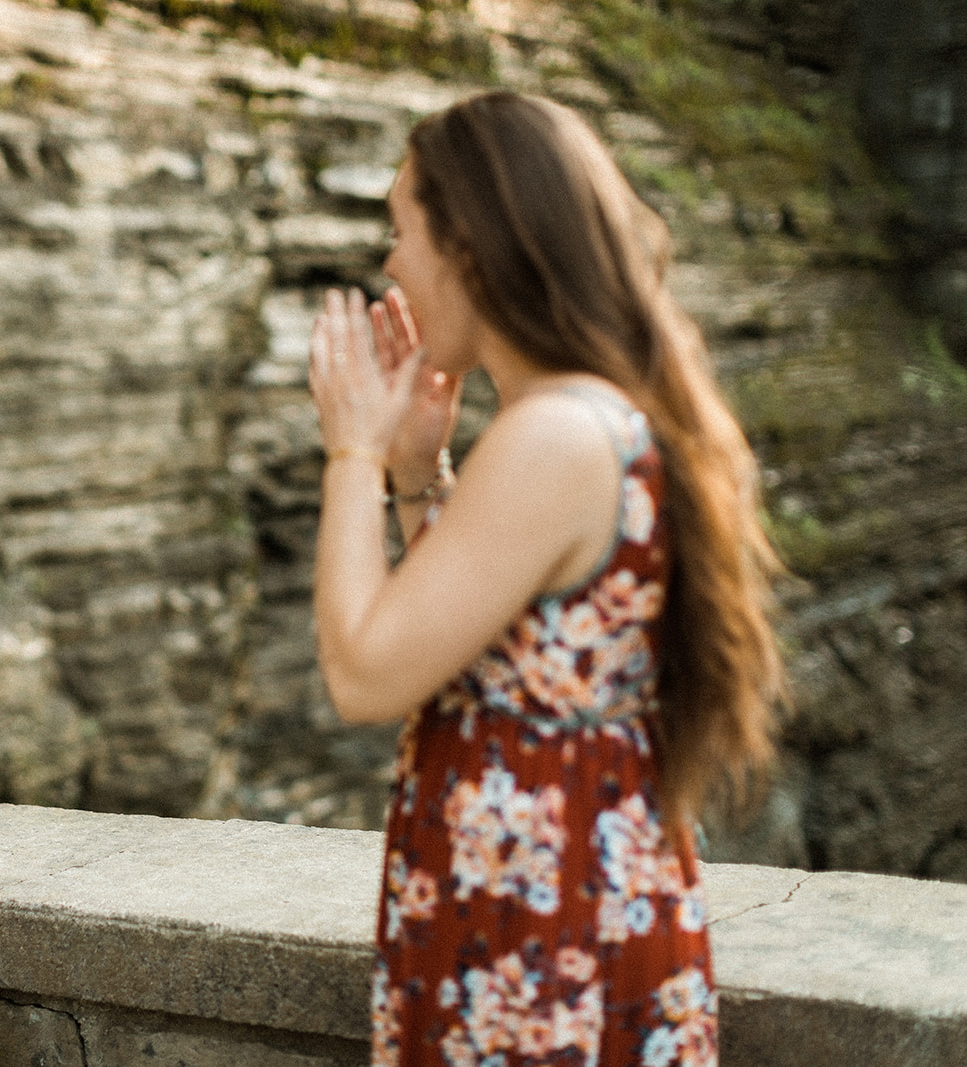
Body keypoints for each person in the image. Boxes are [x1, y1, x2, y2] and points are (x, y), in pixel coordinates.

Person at [307, 91, 783, 1067]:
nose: (390, 263)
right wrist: (414, 475)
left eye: (404, 230)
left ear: (471, 247)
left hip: (537, 933)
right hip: (546, 904)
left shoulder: (553, 432)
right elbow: (502, 642)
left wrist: (349, 451)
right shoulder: (581, 419)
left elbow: (363, 673)